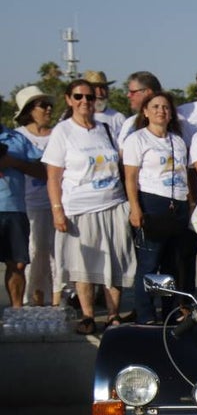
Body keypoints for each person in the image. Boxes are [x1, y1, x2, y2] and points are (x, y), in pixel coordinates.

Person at [43, 79, 135, 334]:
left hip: (113, 204)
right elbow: (53, 176)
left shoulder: (106, 128)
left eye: (89, 97)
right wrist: (57, 209)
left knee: (115, 263)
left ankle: (114, 315)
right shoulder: (63, 131)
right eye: (79, 96)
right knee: (84, 265)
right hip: (80, 207)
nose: (85, 101)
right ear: (69, 99)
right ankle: (87, 315)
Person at [122, 92, 190, 324]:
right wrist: (135, 208)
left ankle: (169, 311)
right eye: (155, 106)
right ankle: (146, 313)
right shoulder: (137, 139)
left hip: (177, 204)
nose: (161, 111)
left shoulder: (177, 140)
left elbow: (184, 174)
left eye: (165, 107)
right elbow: (130, 177)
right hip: (151, 202)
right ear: (145, 112)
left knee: (171, 264)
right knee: (150, 263)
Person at [12, 86, 56, 305]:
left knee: (57, 255)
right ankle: (33, 299)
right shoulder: (18, 137)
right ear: (29, 110)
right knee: (34, 252)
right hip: (29, 203)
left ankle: (57, 299)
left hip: (57, 203)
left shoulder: (59, 133)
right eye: (42, 105)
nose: (48, 109)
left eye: (49, 105)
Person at [1, 104, 46, 310]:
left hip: (14, 208)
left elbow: (42, 171)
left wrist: (12, 162)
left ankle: (16, 312)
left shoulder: (16, 138)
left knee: (17, 264)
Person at [116, 71, 163, 149]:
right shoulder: (129, 123)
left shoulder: (175, 122)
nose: (128, 95)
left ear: (148, 92)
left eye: (132, 92)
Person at [86, 70, 125, 140]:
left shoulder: (118, 118)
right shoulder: (76, 117)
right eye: (94, 88)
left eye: (102, 88)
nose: (99, 93)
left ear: (107, 91)